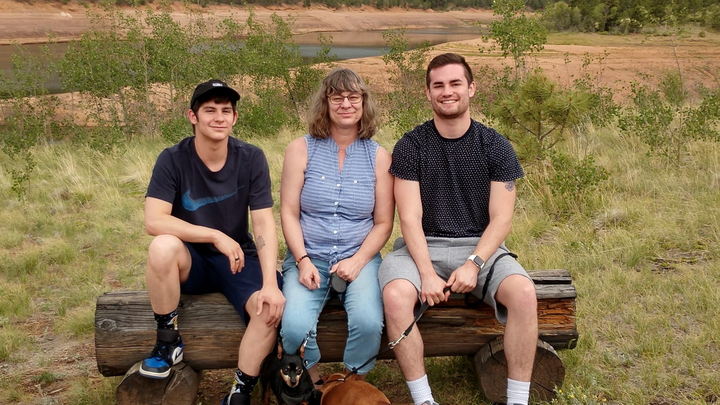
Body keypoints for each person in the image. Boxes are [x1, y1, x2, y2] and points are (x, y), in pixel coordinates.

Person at [378, 53, 538, 405]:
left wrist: (474, 263)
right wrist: (426, 273)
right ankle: (424, 399)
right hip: (422, 247)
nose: (447, 91)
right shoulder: (411, 147)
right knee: (395, 296)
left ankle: (518, 400)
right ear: (428, 93)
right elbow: (409, 218)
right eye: (438, 85)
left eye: (455, 83)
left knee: (525, 294)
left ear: (471, 88)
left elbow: (501, 219)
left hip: (481, 248)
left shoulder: (496, 146)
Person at [141, 79, 285, 405]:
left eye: (226, 110)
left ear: (235, 118)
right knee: (161, 247)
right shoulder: (172, 159)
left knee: (269, 307)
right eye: (210, 110)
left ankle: (240, 392)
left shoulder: (251, 158)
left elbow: (263, 222)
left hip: (237, 258)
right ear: (192, 116)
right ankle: (167, 342)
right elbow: (154, 220)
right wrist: (215, 235)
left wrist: (269, 283)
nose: (219, 117)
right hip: (191, 259)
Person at [279, 68, 394, 385]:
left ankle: (350, 385)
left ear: (364, 103)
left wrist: (357, 261)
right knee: (294, 328)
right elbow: (288, 212)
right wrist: (302, 260)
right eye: (337, 97)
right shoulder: (300, 149)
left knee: (369, 323)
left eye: (353, 97)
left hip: (360, 257)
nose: (346, 104)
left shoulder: (380, 157)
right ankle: (316, 386)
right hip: (309, 256)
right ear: (325, 103)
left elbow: (384, 223)